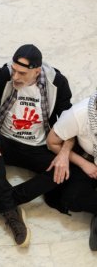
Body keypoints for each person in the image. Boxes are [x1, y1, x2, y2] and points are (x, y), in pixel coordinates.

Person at [0, 44, 73, 247]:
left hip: (37, 145)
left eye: (22, 73)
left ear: (37, 71)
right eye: (14, 70)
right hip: (5, 138)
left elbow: (70, 119)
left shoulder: (56, 82)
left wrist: (64, 153)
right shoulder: (3, 74)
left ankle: (0, 199)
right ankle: (9, 211)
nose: (15, 77)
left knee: (63, 172)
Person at [45, 92, 97, 251]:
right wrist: (83, 164)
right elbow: (52, 142)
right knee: (72, 198)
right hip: (88, 160)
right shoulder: (79, 113)